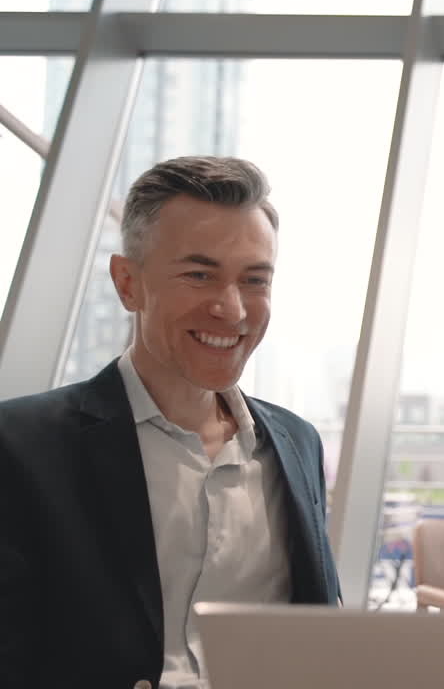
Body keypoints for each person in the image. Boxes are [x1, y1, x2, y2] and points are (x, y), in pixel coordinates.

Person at [0, 156, 340, 689]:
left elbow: (319, 637)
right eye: (199, 274)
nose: (232, 309)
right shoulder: (21, 448)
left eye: (254, 280)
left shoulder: (297, 444)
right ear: (127, 283)